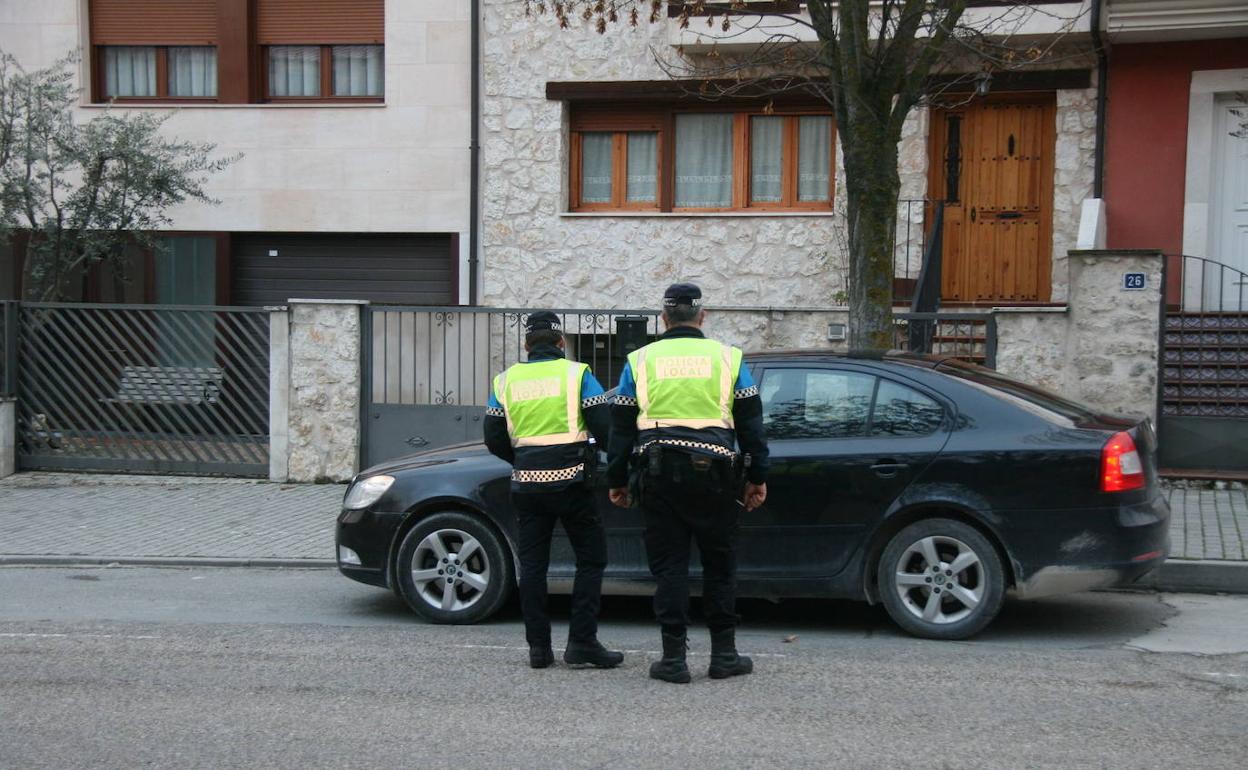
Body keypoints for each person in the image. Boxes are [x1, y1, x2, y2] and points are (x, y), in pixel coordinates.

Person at [606, 284, 769, 684]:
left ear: (663, 318)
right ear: (702, 316)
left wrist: (617, 479)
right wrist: (758, 477)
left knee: (670, 568)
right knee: (720, 566)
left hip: (659, 475)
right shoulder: (729, 358)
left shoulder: (639, 361)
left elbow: (620, 429)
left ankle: (673, 660)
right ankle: (724, 655)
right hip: (717, 477)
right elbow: (751, 424)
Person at [483, 310, 624, 670]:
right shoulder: (578, 375)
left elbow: (493, 437)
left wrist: (522, 459)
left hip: (527, 485)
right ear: (561, 342)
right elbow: (604, 429)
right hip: (573, 483)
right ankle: (582, 643)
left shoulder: (505, 381)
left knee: (533, 567)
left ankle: (539, 650)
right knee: (591, 559)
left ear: (526, 345)